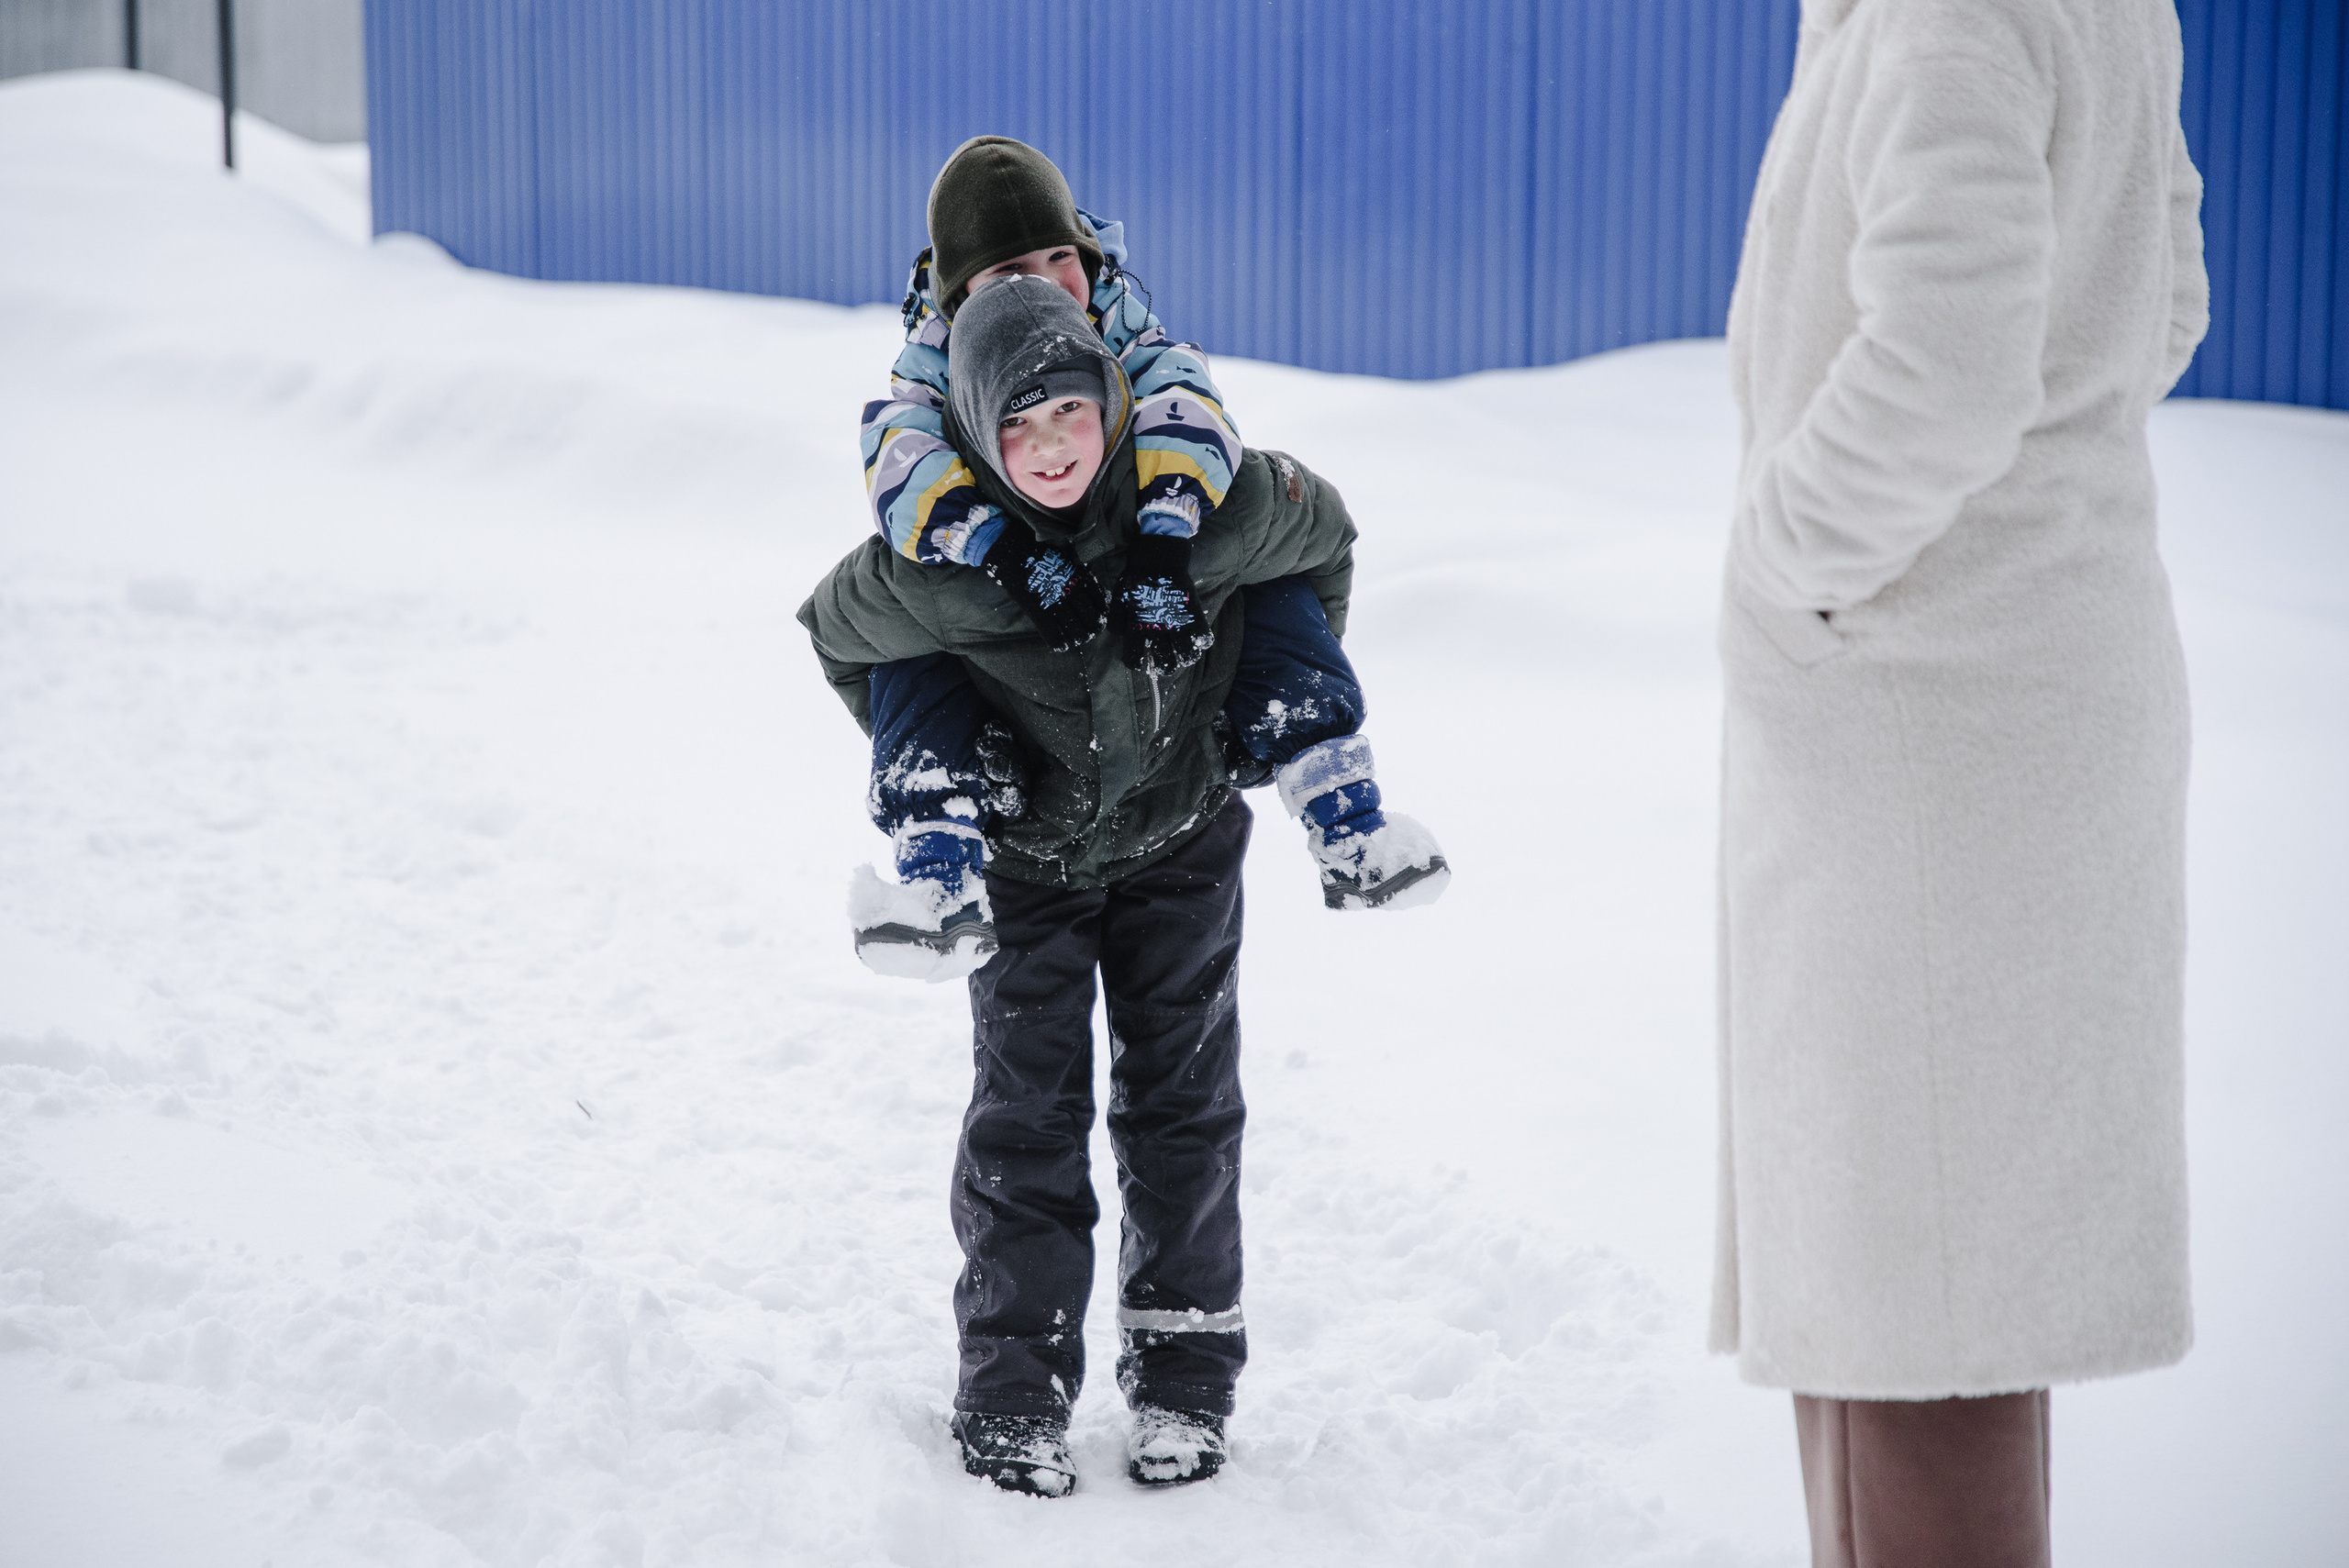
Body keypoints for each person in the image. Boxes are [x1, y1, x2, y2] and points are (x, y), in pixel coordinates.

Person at [1711, 0, 2208, 1562]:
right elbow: (2168, 296)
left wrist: (1785, 565)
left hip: (1936, 719)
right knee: (1920, 1279)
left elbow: (1946, 362)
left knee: (1918, 1297)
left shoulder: (1947, 22)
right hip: (2001, 696)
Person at [801, 273, 1378, 1494]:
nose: (1050, 447)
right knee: (1029, 1114)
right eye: (1018, 427)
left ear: (1114, 408)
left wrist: (1230, 705)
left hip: (1180, 844)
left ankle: (1183, 1385)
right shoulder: (944, 559)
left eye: (1070, 414)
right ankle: (1014, 1389)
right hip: (1029, 874)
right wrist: (970, 736)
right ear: (978, 440)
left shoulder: (1192, 501)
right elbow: (840, 631)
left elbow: (1318, 535)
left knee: (1184, 1108)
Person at [845, 137, 1445, 982]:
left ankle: (1343, 809)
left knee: (1265, 586)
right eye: (1013, 268)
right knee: (918, 655)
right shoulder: (930, 376)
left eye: (1064, 257)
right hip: (1030, 750)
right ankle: (938, 871)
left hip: (1172, 752)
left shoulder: (1127, 332)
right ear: (957, 297)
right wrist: (1005, 554)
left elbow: (1186, 404)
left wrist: (1167, 542)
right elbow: (898, 459)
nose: (1051, 284)